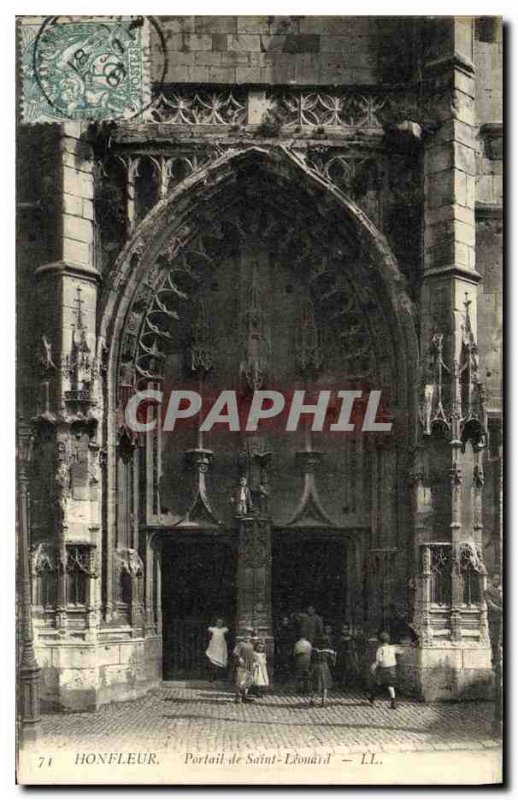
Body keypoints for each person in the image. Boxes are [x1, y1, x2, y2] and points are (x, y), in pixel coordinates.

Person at [368, 631, 401, 709]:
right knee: (390, 685)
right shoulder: (392, 647)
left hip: (384, 669)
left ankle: (372, 696)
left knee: (379, 684)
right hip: (392, 668)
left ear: (379, 641)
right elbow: (400, 651)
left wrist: (373, 667)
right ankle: (393, 701)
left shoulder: (380, 649)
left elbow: (379, 660)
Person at [309, 637, 336, 707]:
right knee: (325, 685)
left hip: (315, 667)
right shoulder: (328, 651)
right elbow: (332, 662)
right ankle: (323, 701)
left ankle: (312, 699)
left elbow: (311, 659)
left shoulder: (313, 650)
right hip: (324, 667)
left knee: (316, 684)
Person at [484, 573, 503, 665]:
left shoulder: (500, 592)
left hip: (500, 618)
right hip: (493, 619)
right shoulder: (488, 591)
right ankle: (495, 658)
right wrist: (500, 610)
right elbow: (490, 604)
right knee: (494, 639)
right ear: (491, 580)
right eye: (495, 579)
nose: (497, 581)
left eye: (499, 579)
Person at [233, 633, 256, 703]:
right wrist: (239, 658)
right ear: (244, 637)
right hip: (242, 664)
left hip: (250, 664)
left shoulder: (251, 645)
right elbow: (235, 652)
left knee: (250, 680)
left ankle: (244, 696)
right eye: (246, 636)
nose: (248, 638)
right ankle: (238, 697)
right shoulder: (241, 644)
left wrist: (254, 661)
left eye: (249, 637)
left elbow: (252, 654)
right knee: (241, 680)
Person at [335, 623, 359, 688]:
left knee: (351, 670)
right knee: (342, 671)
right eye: (343, 629)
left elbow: (354, 648)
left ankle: (349, 684)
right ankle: (342, 684)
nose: (344, 631)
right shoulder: (339, 638)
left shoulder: (351, 638)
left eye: (346, 629)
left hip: (350, 657)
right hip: (342, 656)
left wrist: (355, 657)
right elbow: (337, 646)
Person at [275, 615, 294, 682]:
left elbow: (292, 640)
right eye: (284, 620)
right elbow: (277, 640)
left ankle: (287, 678)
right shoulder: (279, 629)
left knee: (287, 664)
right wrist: (278, 648)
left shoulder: (290, 629)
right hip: (281, 648)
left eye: (286, 621)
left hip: (288, 648)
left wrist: (290, 649)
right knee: (281, 664)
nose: (285, 622)